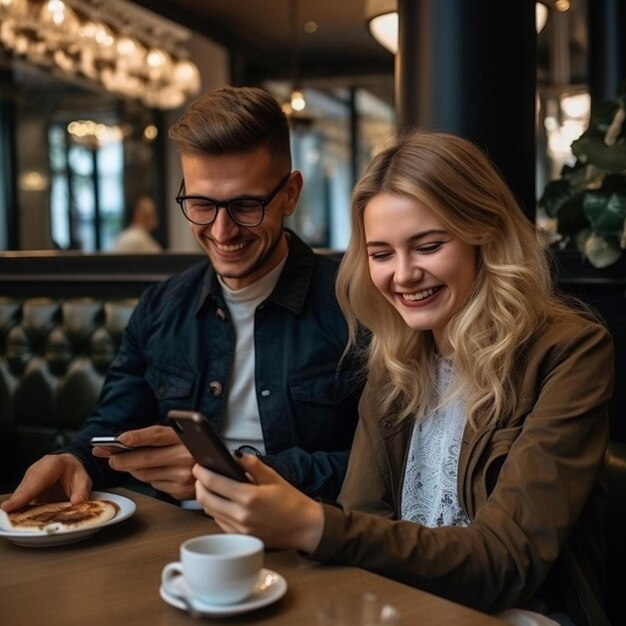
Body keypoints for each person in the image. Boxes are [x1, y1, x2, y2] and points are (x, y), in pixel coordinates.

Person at [189, 131, 614, 626]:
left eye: (428, 246)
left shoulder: (571, 351)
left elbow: (505, 562)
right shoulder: (396, 358)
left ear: (486, 235)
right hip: (397, 605)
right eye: (382, 254)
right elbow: (365, 517)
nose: (403, 274)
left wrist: (312, 525)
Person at [2, 86, 361, 511]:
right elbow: (113, 424)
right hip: (173, 539)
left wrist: (229, 472)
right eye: (201, 203)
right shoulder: (159, 308)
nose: (222, 231)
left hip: (309, 538)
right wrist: (75, 459)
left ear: (290, 194)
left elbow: (385, 469)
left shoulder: (356, 305)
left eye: (246, 205)